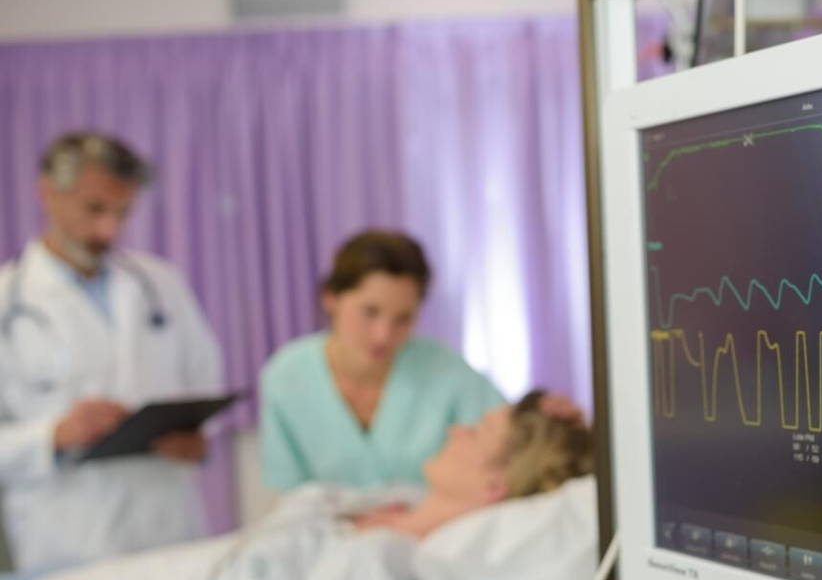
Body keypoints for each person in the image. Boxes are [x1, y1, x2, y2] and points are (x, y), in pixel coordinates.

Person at [46, 391, 594, 580]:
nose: (455, 428)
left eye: (475, 432)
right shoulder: (390, 500)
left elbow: (587, 510)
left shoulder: (400, 559)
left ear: (496, 484)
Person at [0, 132, 223, 571]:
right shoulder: (8, 302)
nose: (110, 229)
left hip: (168, 530)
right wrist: (52, 435)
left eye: (122, 212)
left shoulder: (161, 285)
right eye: (95, 209)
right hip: (68, 540)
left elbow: (204, 385)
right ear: (48, 192)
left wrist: (197, 441)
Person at [259, 230, 506, 490]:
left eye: (403, 318)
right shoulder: (286, 378)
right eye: (369, 312)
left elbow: (514, 441)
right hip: (329, 529)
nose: (383, 335)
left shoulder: (447, 372)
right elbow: (285, 491)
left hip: (437, 528)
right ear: (331, 299)